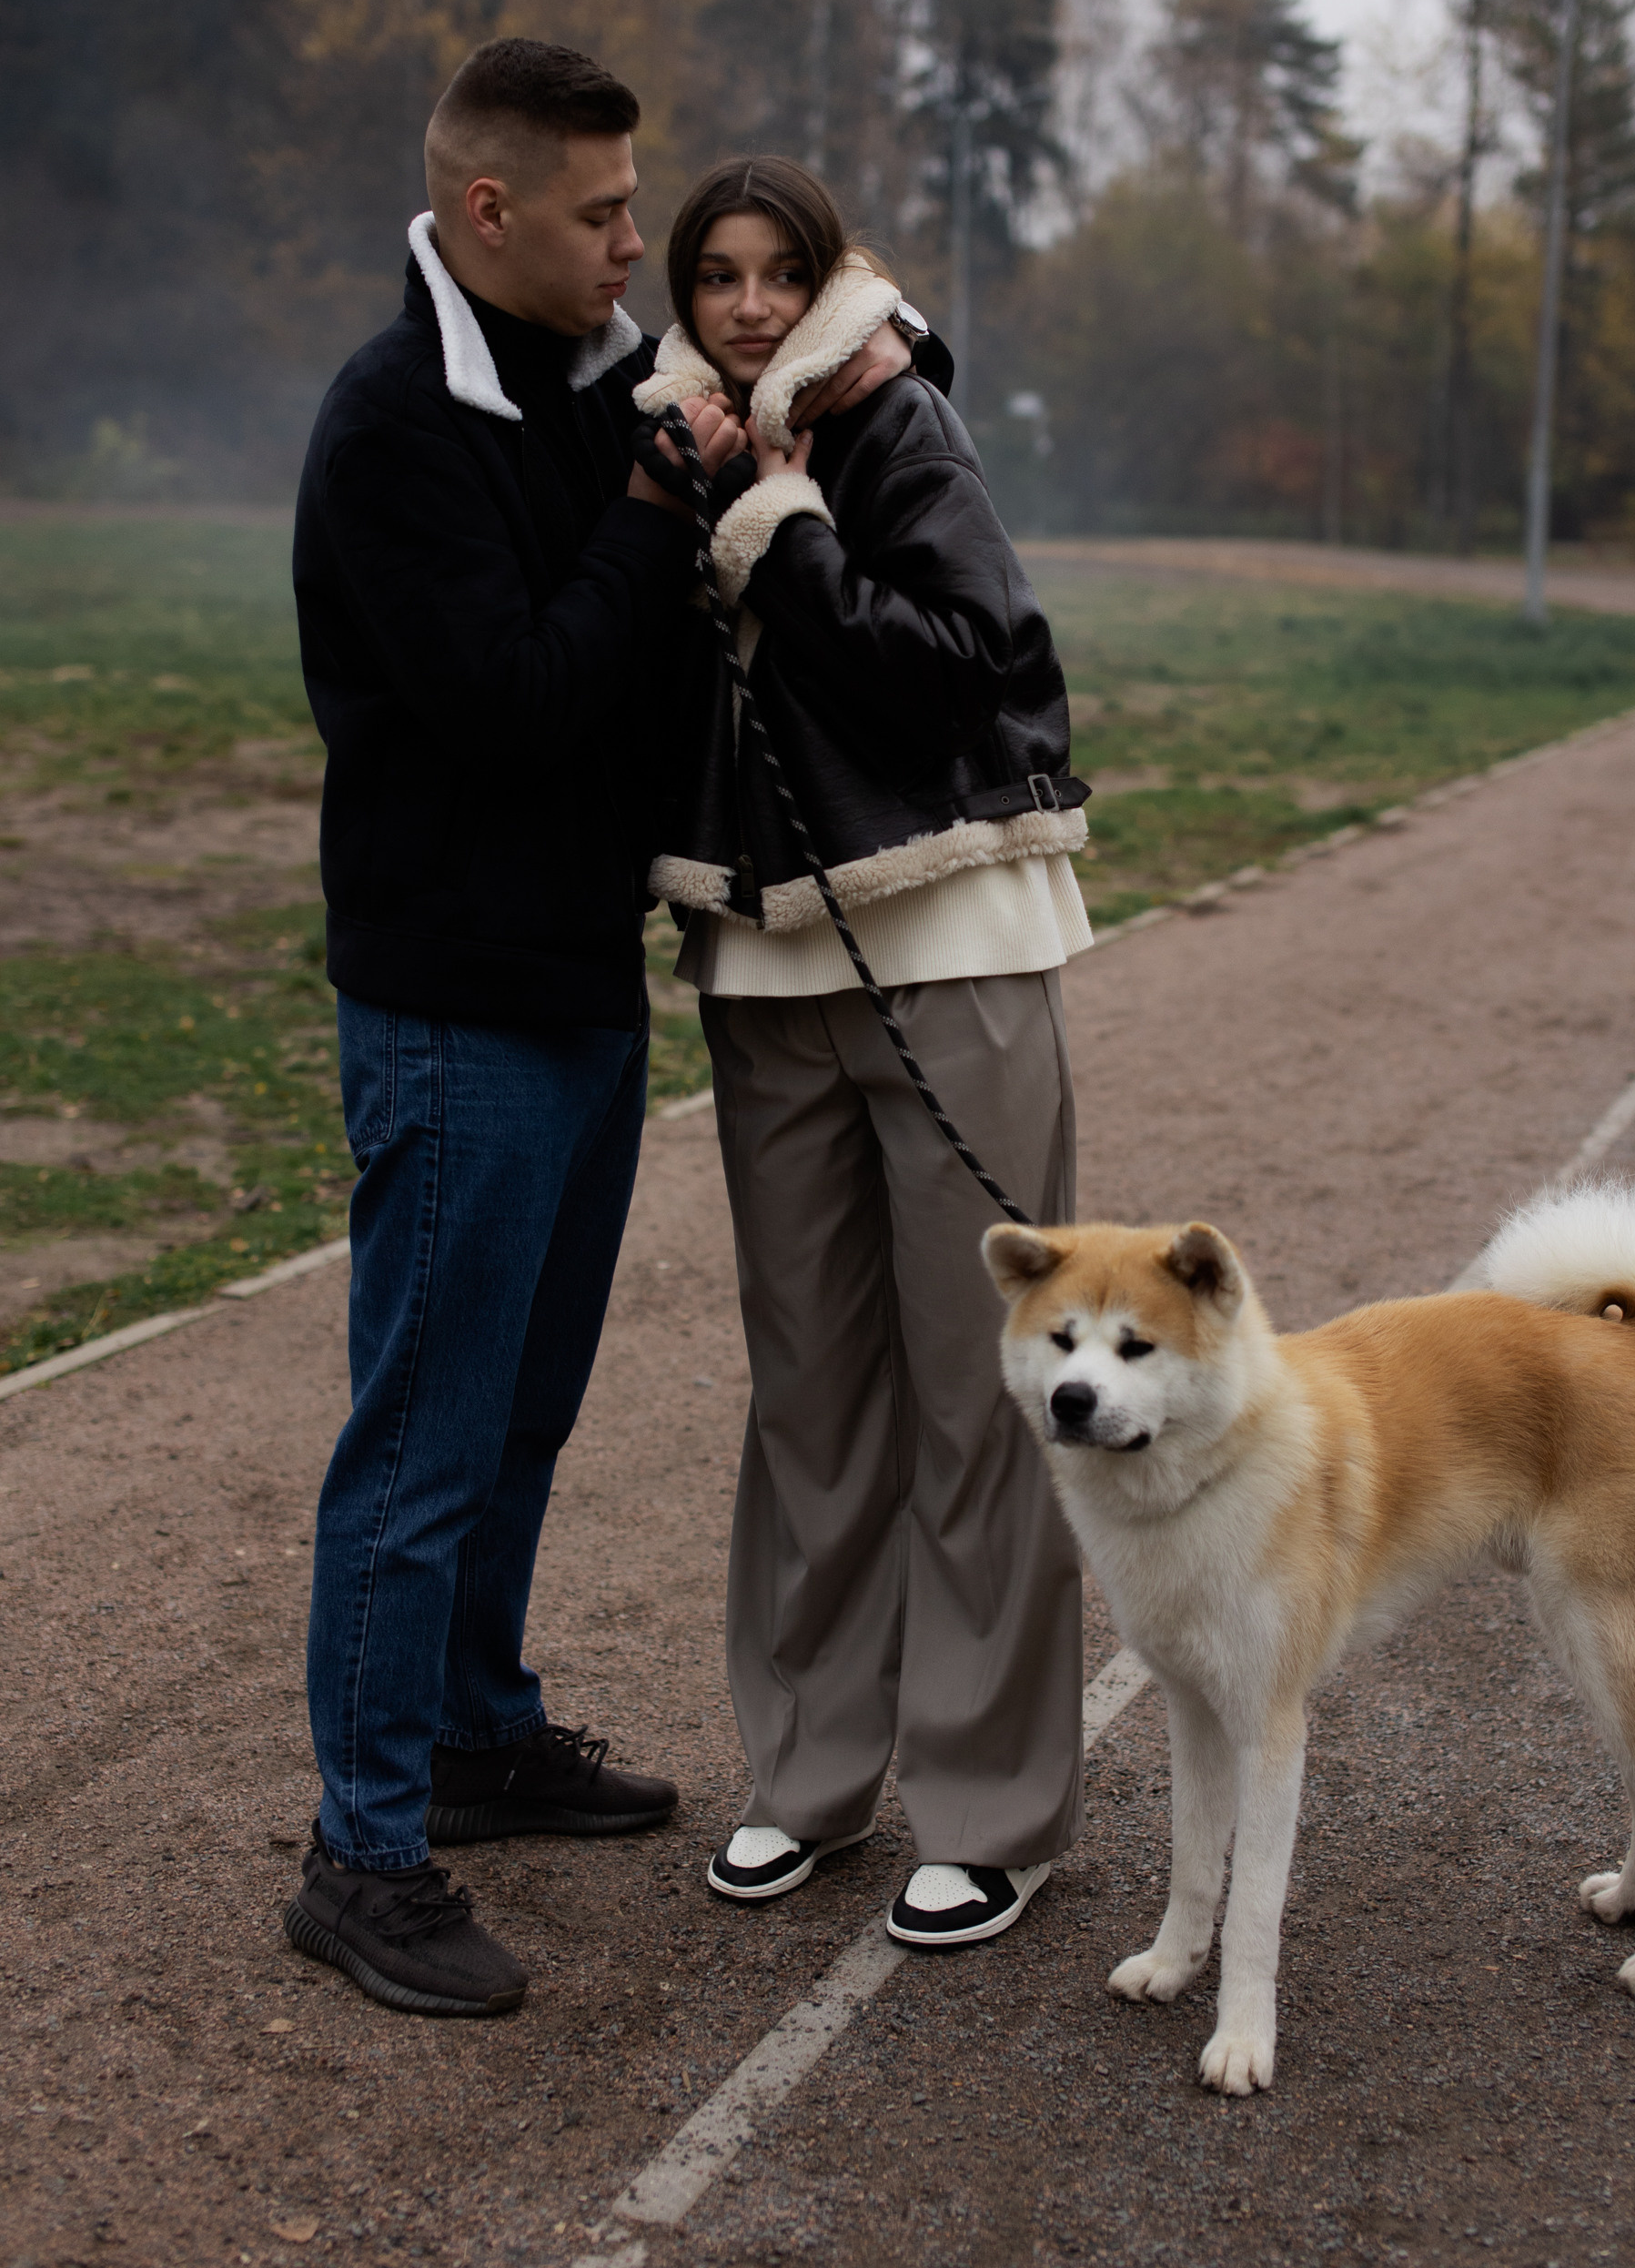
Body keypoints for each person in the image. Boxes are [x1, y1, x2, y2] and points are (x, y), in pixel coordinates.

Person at [286, 45, 920, 2016]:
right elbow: (530, 693)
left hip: (569, 998)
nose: (637, 249)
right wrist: (661, 508)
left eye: (638, 210)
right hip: (453, 1013)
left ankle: (473, 1733)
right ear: (490, 215)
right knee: (422, 1441)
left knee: (521, 1415)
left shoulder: (567, 390)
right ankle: (362, 1857)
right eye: (602, 216)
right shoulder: (398, 424)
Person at [637, 155, 1094, 1949]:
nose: (746, 305)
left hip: (952, 952)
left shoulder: (890, 430)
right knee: (811, 1400)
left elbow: (970, 660)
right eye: (713, 277)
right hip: (766, 974)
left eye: (777, 273)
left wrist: (783, 535)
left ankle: (988, 1806)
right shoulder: (677, 445)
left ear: (827, 281)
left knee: (980, 1391)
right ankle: (811, 1776)